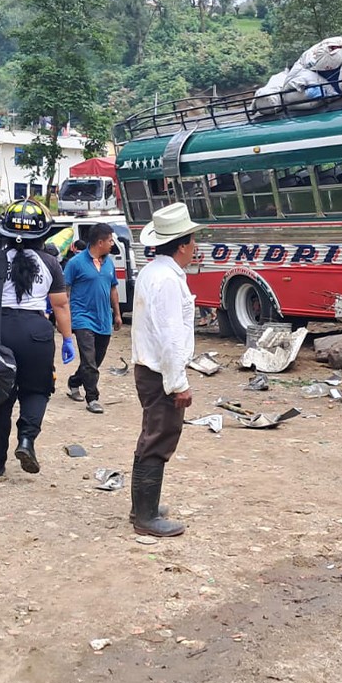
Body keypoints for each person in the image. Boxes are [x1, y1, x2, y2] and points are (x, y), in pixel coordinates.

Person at [0, 200, 76, 478]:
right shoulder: (50, 262)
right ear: (42, 235)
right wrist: (68, 339)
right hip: (36, 333)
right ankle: (26, 440)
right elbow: (60, 305)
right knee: (36, 390)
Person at [130, 202, 204, 537]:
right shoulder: (169, 280)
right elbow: (171, 339)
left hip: (148, 367)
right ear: (183, 245)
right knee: (160, 437)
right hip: (160, 371)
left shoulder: (152, 272)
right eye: (192, 242)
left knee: (151, 434)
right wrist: (179, 384)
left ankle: (143, 506)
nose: (195, 248)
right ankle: (145, 516)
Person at [63, 223, 122, 414]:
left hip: (103, 318)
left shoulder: (109, 263)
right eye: (110, 240)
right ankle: (93, 398)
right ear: (100, 242)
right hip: (82, 318)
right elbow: (65, 289)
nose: (112, 244)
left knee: (96, 360)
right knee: (89, 360)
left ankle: (74, 381)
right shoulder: (75, 263)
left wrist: (117, 314)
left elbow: (113, 288)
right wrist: (64, 317)